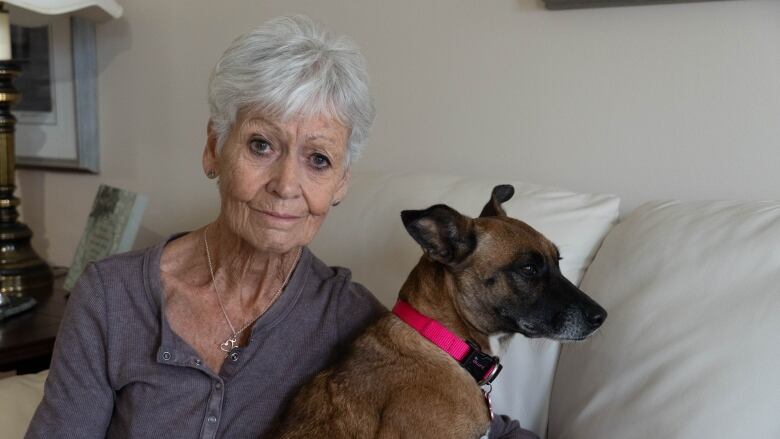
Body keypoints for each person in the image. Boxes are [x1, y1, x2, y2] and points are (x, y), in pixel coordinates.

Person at [25, 15, 537, 439]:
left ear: (340, 184)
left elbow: (484, 424)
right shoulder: (110, 298)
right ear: (212, 149)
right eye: (261, 145)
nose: (286, 184)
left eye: (318, 159)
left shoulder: (348, 316)